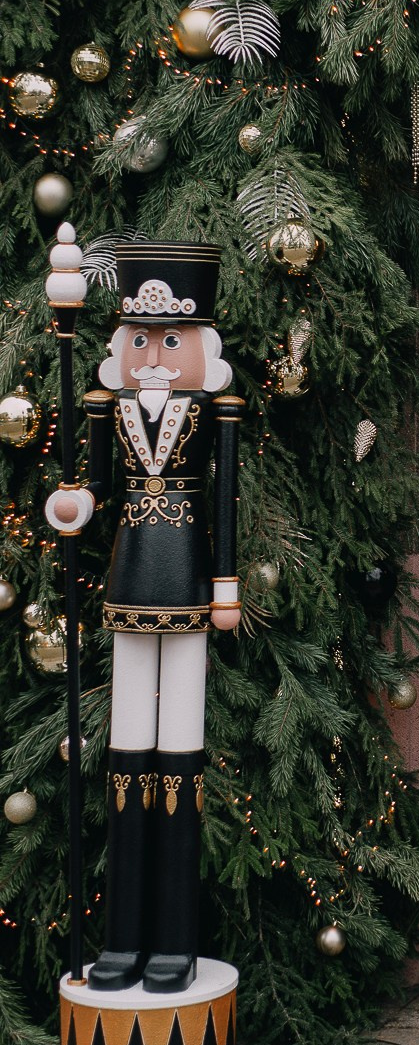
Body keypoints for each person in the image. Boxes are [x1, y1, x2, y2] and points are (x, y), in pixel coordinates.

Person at [45, 242, 242, 994]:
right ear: (118, 346)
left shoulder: (214, 408)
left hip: (189, 579)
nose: (154, 356)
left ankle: (175, 940)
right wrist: (76, 505)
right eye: (139, 340)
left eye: (170, 341)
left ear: (201, 347)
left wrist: (225, 584)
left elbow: (222, 502)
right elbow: (91, 482)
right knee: (130, 744)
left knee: (181, 746)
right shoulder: (108, 407)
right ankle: (122, 939)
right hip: (131, 574)